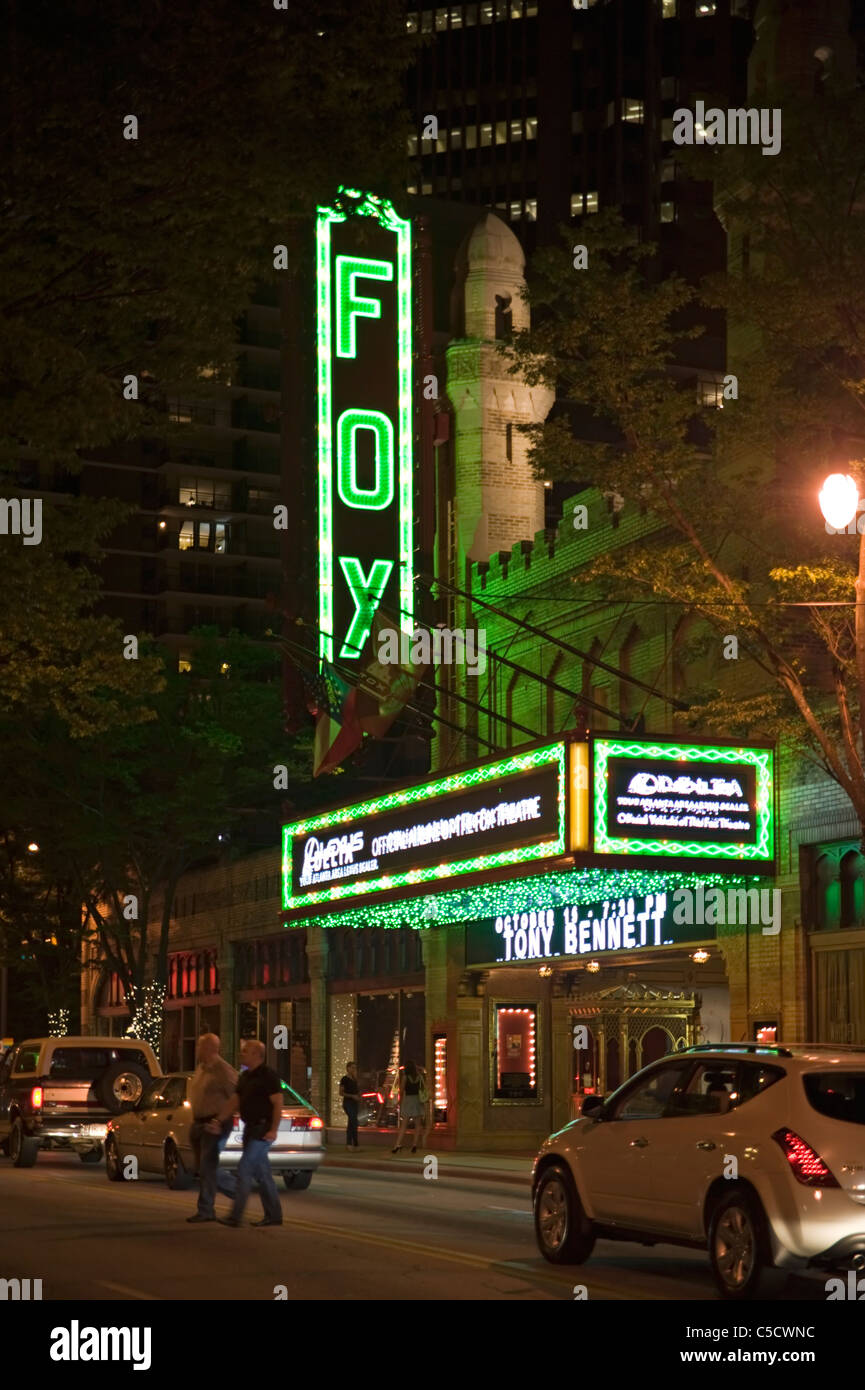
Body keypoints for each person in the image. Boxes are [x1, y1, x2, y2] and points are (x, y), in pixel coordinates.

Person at [209, 1039, 283, 1227]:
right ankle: (274, 1215)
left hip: (262, 1130)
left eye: (245, 1051)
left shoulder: (268, 1076)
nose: (241, 1054)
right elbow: (235, 1101)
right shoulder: (245, 1077)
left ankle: (236, 1216)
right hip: (250, 1130)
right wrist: (219, 1120)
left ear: (257, 1055)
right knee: (263, 1174)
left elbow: (277, 1104)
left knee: (244, 1169)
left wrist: (273, 1129)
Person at [186, 1033, 238, 1224]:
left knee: (208, 1168)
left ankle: (211, 1206)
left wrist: (219, 1121)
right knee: (203, 1168)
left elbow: (236, 1097)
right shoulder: (201, 1068)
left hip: (215, 1124)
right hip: (199, 1122)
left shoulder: (223, 1070)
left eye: (199, 1046)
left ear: (209, 1048)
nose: (196, 1049)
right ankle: (233, 1194)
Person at [391, 1059, 425, 1154]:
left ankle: (397, 1145)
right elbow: (423, 1089)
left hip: (408, 1101)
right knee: (417, 1125)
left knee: (404, 1125)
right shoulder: (419, 1077)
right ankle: (414, 1146)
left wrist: (398, 1103)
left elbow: (401, 1091)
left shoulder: (406, 1077)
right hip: (417, 1101)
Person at [339, 1060, 360, 1149]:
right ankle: (351, 1143)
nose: (353, 1069)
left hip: (355, 1103)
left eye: (355, 1068)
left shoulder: (354, 1079)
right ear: (348, 1068)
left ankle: (352, 1143)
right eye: (352, 1068)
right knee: (353, 1121)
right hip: (348, 1103)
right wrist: (352, 1096)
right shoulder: (344, 1079)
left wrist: (358, 1096)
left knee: (352, 1122)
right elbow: (341, 1092)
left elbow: (357, 1091)